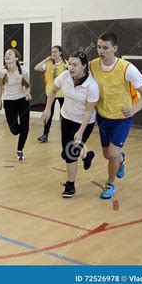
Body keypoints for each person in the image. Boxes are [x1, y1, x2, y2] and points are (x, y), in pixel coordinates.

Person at [91, 32, 142, 199]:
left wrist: (134, 109)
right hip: (102, 117)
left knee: (111, 154)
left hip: (121, 119)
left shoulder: (127, 68)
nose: (101, 51)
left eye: (105, 48)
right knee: (107, 155)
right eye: (98, 47)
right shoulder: (93, 65)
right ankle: (121, 158)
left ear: (114, 48)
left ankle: (110, 184)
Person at [42, 51, 98, 198]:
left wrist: (80, 131)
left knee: (69, 153)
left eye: (75, 65)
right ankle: (86, 155)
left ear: (84, 66)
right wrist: (48, 109)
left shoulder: (91, 86)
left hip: (84, 122)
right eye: (70, 64)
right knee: (67, 151)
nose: (71, 67)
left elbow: (88, 111)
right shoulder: (65, 76)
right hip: (66, 118)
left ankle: (70, 185)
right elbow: (52, 91)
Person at [0, 48, 32, 161]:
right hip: (9, 101)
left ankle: (20, 150)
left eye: (10, 54)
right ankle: (22, 131)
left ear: (16, 58)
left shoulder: (22, 69)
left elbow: (27, 84)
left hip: (22, 100)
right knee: (14, 130)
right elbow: (0, 87)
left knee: (25, 127)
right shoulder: (2, 72)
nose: (7, 56)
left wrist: (27, 93)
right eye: (6, 54)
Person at [34, 45, 67, 142]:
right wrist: (45, 59)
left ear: (60, 53)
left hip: (62, 93)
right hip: (50, 93)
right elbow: (36, 68)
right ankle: (45, 135)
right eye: (52, 52)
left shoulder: (66, 64)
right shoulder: (48, 63)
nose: (53, 54)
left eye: (56, 52)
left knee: (64, 115)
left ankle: (66, 135)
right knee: (48, 113)